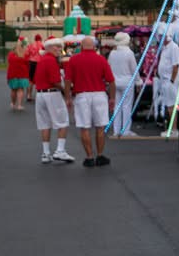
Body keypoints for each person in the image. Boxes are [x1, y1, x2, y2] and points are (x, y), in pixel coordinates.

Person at [64, 36, 115, 167]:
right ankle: (100, 155)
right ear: (94, 47)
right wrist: (112, 98)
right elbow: (111, 80)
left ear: (81, 46)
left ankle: (89, 157)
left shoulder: (74, 59)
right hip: (99, 95)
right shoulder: (101, 59)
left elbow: (68, 80)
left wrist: (67, 97)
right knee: (100, 127)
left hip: (82, 95)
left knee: (84, 127)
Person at [34, 36, 75, 164]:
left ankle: (46, 153)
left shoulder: (42, 60)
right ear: (49, 47)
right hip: (52, 93)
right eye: (57, 46)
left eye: (60, 46)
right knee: (62, 122)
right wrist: (66, 91)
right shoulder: (51, 60)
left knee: (45, 124)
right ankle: (60, 151)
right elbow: (55, 81)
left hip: (40, 94)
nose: (59, 49)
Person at [108, 32, 138, 137]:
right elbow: (134, 69)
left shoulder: (112, 53)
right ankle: (125, 130)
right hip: (127, 82)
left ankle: (116, 130)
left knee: (117, 106)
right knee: (127, 106)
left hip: (115, 82)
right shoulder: (129, 53)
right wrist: (138, 80)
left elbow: (109, 67)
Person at [157, 33, 179, 129]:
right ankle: (172, 128)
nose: (159, 38)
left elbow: (176, 65)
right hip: (165, 80)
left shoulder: (174, 47)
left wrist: (172, 80)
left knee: (173, 105)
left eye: (161, 36)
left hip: (170, 81)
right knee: (169, 105)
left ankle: (174, 128)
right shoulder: (165, 48)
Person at [7, 38, 30, 110]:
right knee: (21, 90)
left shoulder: (11, 54)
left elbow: (9, 62)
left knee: (13, 89)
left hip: (13, 74)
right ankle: (19, 105)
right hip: (23, 74)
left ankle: (13, 103)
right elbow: (28, 64)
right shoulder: (25, 54)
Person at [24, 34, 44, 103]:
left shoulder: (31, 45)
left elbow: (26, 53)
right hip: (40, 63)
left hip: (32, 62)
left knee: (31, 80)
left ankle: (29, 95)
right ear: (40, 39)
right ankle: (38, 96)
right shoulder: (42, 45)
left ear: (35, 39)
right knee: (39, 80)